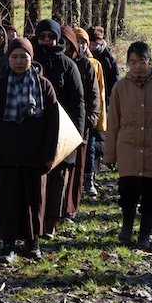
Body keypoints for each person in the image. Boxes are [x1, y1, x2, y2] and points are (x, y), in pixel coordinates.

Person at [0, 37, 60, 260]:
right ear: (8, 59)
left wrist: (49, 154)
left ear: (31, 58)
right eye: (14, 57)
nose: (18, 61)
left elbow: (53, 124)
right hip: (6, 155)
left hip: (35, 156)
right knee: (7, 200)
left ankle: (32, 243)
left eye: (23, 57)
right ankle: (8, 245)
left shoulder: (44, 86)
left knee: (34, 200)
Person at [104, 41, 152, 250]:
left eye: (142, 62)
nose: (137, 67)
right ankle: (127, 226)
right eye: (133, 62)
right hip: (128, 148)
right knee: (128, 191)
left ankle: (145, 233)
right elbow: (113, 122)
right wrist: (110, 155)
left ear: (149, 61)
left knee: (151, 195)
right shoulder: (120, 87)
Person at [32, 18, 85, 237]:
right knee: (37, 178)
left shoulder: (68, 65)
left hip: (63, 131)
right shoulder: (30, 61)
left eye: (51, 37)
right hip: (35, 130)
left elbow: (78, 102)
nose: (47, 40)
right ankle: (35, 221)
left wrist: (77, 135)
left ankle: (51, 222)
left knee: (59, 178)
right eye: (42, 36)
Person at [61, 27, 101, 219]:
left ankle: (70, 209)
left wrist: (90, 120)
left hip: (80, 125)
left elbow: (94, 95)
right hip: (59, 125)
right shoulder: (57, 62)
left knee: (77, 170)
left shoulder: (85, 65)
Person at [87, 26, 121, 196]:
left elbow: (115, 82)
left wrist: (107, 102)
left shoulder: (108, 60)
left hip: (104, 104)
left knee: (99, 140)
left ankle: (94, 172)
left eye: (96, 43)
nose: (94, 46)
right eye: (91, 43)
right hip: (91, 105)